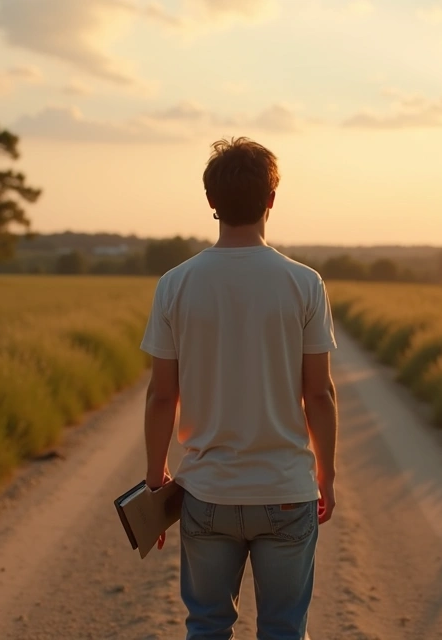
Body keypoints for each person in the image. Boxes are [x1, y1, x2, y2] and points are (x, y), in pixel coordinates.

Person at [140, 136, 339, 640]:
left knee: (207, 627)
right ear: (272, 199)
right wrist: (327, 474)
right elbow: (319, 393)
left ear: (211, 202)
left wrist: (154, 473)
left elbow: (163, 395)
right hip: (288, 492)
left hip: (207, 494)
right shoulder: (305, 283)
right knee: (283, 630)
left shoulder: (175, 284)